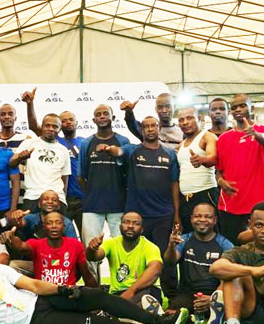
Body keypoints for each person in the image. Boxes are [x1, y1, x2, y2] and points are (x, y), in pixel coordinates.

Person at [0, 246, 191, 324]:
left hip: (41, 300)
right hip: (31, 323)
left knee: (96, 296)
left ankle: (159, 321)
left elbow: (33, 285)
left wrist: (62, 289)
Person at [124, 116, 180, 295]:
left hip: (163, 215)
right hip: (139, 216)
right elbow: (118, 152)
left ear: (159, 128)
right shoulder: (132, 151)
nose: (150, 129)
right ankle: (142, 295)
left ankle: (172, 296)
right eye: (146, 126)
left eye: (153, 126)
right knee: (139, 257)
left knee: (165, 255)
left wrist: (176, 214)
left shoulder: (170, 154)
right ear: (141, 130)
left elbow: (174, 184)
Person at [79, 103, 133, 279]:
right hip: (92, 206)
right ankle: (94, 288)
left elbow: (129, 173)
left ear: (113, 118)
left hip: (118, 205)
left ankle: (121, 285)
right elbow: (81, 176)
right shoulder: (86, 143)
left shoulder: (123, 142)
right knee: (91, 249)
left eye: (105, 113)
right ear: (94, 120)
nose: (102, 116)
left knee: (121, 249)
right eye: (98, 114)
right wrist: (91, 194)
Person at [215, 93, 264, 244]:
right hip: (230, 203)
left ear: (251, 108)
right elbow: (218, 171)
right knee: (231, 247)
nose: (238, 110)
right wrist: (221, 182)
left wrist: (255, 134)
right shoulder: (223, 138)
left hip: (257, 203)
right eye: (234, 107)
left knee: (259, 247)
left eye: (242, 106)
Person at [24, 91, 85, 231]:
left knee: (81, 235)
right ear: (60, 126)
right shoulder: (54, 141)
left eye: (71, 119)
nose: (68, 122)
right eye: (64, 120)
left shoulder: (85, 142)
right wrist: (30, 104)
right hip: (60, 197)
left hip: (81, 197)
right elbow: (34, 126)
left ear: (76, 122)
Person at [164, 202, 233, 324]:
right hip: (188, 294)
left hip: (215, 294)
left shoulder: (224, 244)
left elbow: (230, 276)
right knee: (174, 311)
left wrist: (213, 298)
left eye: (208, 217)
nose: (202, 220)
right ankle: (169, 313)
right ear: (191, 219)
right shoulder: (184, 239)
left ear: (215, 220)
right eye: (198, 216)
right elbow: (170, 261)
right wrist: (171, 246)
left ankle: (217, 313)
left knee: (229, 306)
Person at [85, 212, 164, 308]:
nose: (130, 226)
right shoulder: (112, 243)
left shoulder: (150, 247)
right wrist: (92, 249)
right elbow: (93, 257)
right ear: (120, 227)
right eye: (126, 222)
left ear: (142, 229)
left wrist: (131, 291)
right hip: (118, 293)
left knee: (145, 297)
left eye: (136, 223)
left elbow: (156, 269)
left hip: (142, 290)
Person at [0, 212, 98, 289]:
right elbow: (20, 245)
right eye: (49, 223)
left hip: (68, 295)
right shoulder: (36, 244)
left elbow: (87, 276)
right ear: (44, 227)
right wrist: (10, 237)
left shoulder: (75, 245)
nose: (54, 226)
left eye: (58, 222)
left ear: (64, 226)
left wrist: (96, 297)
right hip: (43, 295)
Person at [12, 93, 71, 213]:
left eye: (55, 126)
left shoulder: (63, 150)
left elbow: (64, 179)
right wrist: (20, 157)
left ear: (59, 129)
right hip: (33, 196)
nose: (51, 129)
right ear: (42, 126)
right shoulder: (29, 143)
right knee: (28, 225)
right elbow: (11, 163)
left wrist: (61, 198)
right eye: (47, 125)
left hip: (57, 198)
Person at [176, 106, 219, 234]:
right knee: (189, 236)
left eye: (189, 118)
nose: (185, 122)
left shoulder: (208, 137)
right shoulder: (181, 145)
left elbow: (214, 158)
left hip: (205, 194)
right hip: (185, 198)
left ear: (199, 118)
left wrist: (202, 160)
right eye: (181, 120)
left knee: (210, 235)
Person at [9, 190, 80, 240]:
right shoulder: (31, 218)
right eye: (46, 199)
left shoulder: (66, 223)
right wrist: (18, 217)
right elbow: (22, 223)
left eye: (54, 200)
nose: (50, 202)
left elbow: (74, 245)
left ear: (59, 206)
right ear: (39, 204)